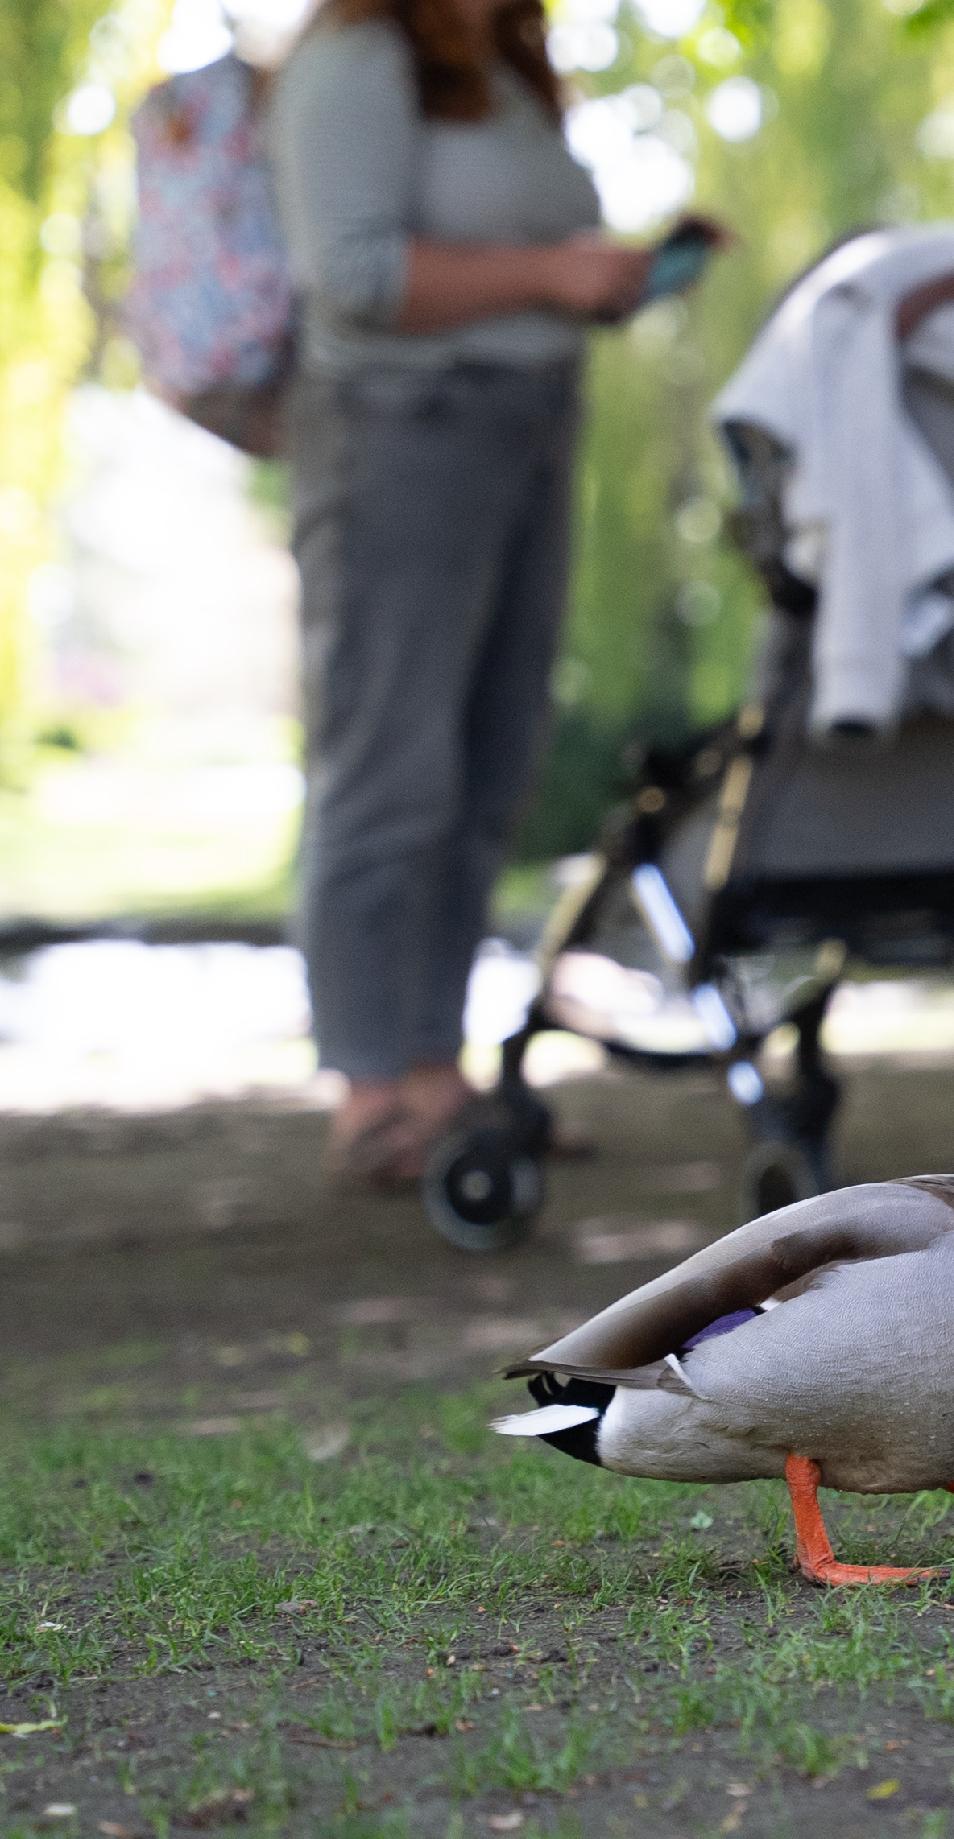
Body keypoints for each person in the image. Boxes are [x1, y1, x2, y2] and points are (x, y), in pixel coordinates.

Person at [270, 0, 654, 1186]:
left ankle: (439, 1073)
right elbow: (354, 274)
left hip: (527, 431)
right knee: (389, 760)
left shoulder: (507, 62)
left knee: (490, 762)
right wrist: (553, 270)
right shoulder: (355, 55)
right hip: (400, 436)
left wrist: (606, 281)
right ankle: (371, 1088)